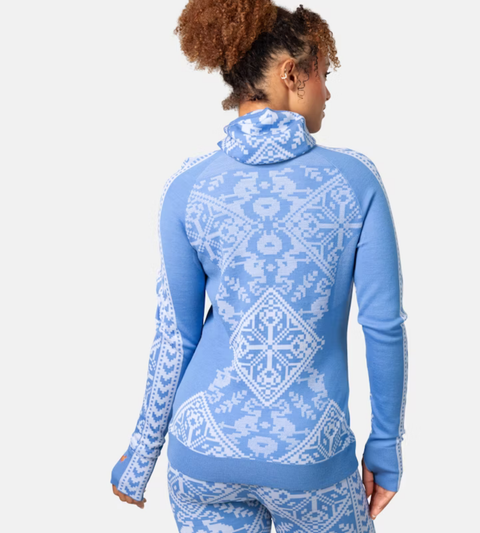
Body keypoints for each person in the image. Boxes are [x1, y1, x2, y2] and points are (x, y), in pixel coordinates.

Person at [110, 2, 409, 531]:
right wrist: (384, 447)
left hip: (200, 452)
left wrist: (140, 457)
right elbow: (383, 327)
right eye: (323, 74)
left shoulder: (188, 186)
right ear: (292, 74)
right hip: (309, 455)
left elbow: (175, 336)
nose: (328, 93)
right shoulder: (354, 181)